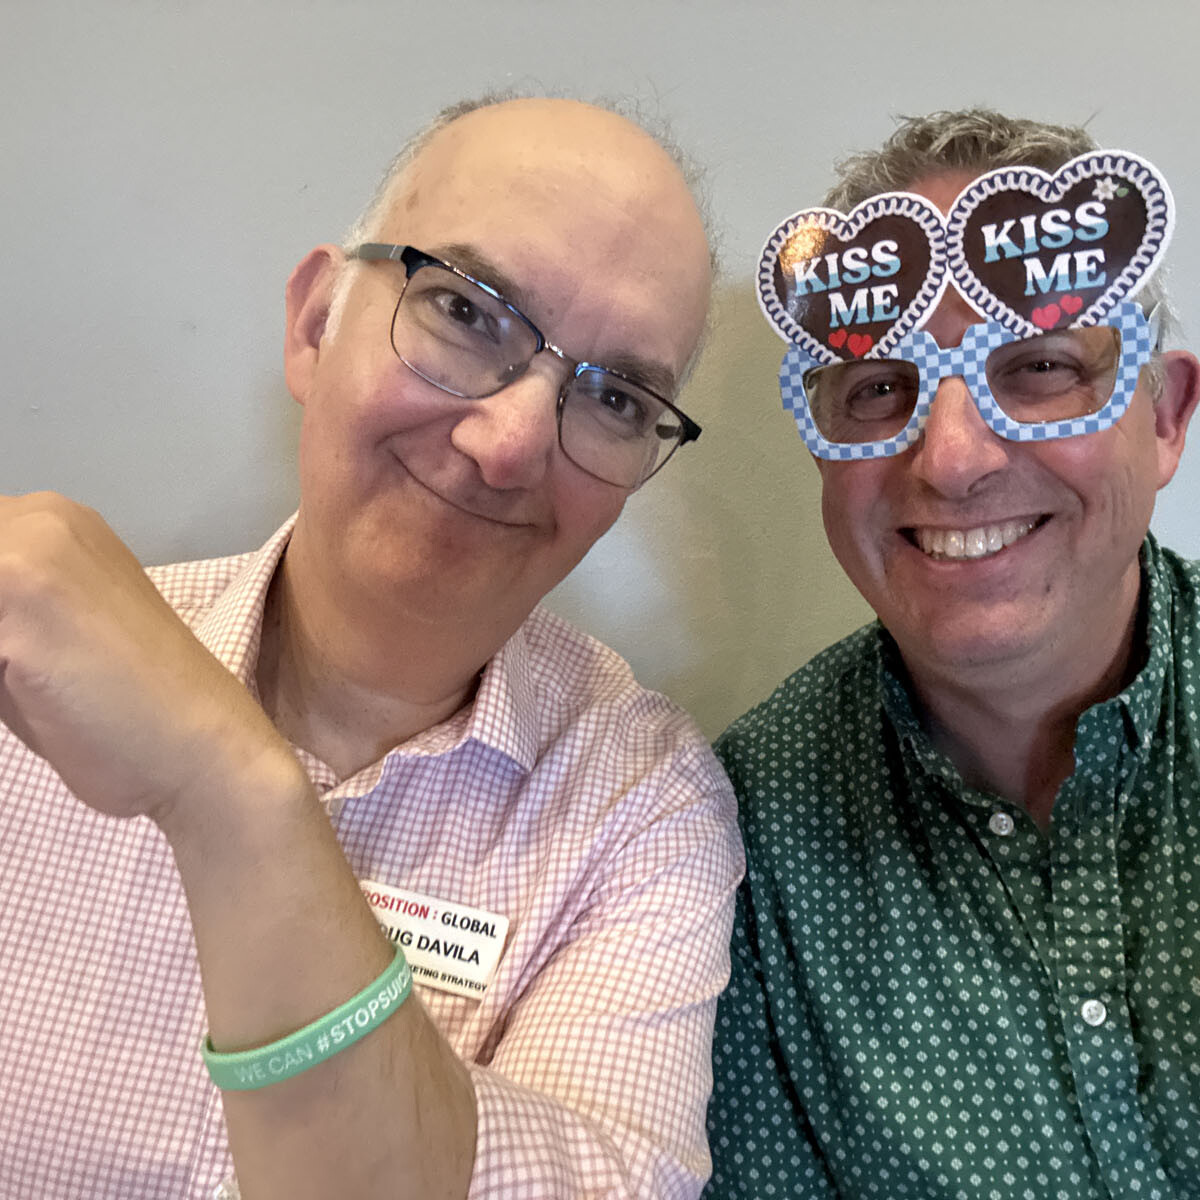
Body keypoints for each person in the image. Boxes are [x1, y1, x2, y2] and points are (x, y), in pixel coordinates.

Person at [0, 95, 743, 1199]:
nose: (509, 443)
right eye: (465, 310)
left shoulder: (643, 806)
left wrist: (233, 793)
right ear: (313, 325)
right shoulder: (28, 659)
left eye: (619, 398)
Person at [706, 109, 1200, 1198]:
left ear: (1163, 419)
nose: (956, 459)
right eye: (880, 388)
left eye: (1037, 365)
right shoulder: (737, 839)